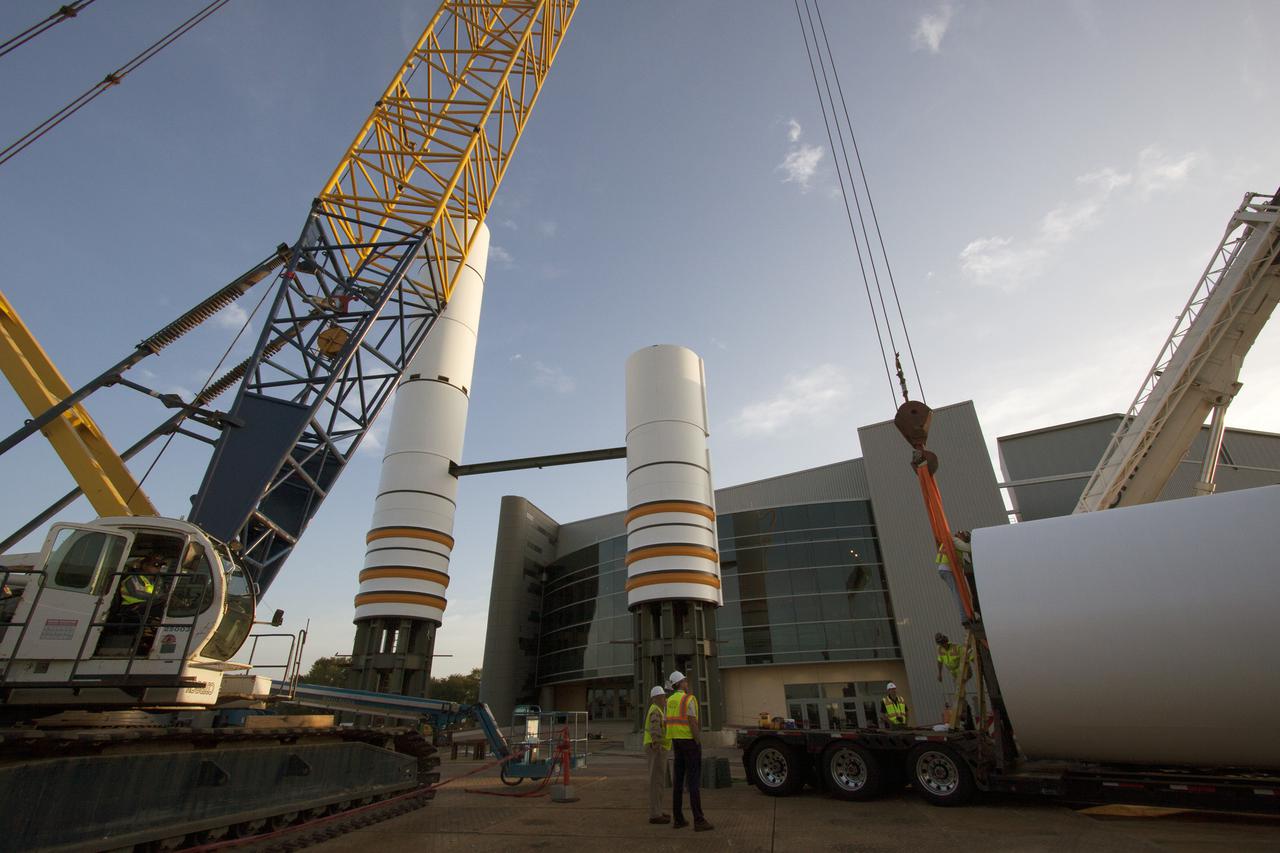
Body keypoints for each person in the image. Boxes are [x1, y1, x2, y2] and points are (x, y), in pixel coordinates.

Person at [665, 670, 713, 832]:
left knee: (678, 781)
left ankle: (678, 818)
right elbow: (692, 722)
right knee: (693, 781)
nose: (687, 683)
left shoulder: (669, 701)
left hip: (676, 743)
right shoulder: (688, 699)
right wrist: (698, 741)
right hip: (690, 743)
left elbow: (666, 722)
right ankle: (698, 820)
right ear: (680, 683)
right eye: (685, 681)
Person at [644, 685, 671, 825]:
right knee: (656, 781)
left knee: (659, 781)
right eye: (662, 697)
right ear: (656, 698)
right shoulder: (655, 710)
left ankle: (658, 810)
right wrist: (657, 744)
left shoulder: (659, 710)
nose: (664, 699)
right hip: (656, 748)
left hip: (658, 747)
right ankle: (655, 814)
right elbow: (655, 729)